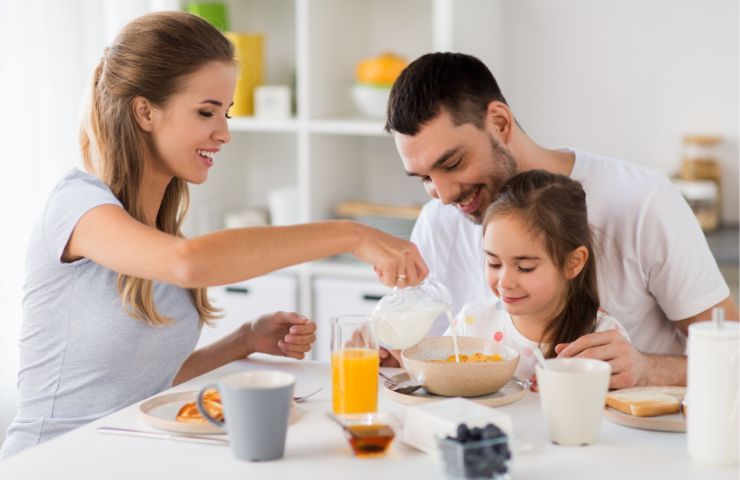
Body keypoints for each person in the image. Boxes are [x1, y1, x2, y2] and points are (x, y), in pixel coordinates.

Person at [0, 12, 427, 459]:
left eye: (226, 113)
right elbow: (191, 263)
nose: (223, 133)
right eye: (206, 112)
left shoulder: (155, 229)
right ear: (144, 111)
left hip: (126, 454)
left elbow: (144, 384)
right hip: (53, 460)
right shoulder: (77, 206)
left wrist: (243, 341)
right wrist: (349, 234)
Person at [382, 52, 737, 388]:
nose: (443, 196)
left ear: (500, 122)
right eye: (425, 178)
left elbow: (732, 355)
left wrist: (645, 369)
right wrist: (391, 354)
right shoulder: (438, 222)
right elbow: (430, 364)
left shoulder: (643, 202)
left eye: (452, 163)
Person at [448, 170, 630, 386]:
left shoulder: (603, 339)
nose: (505, 282)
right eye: (494, 263)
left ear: (573, 263)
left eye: (525, 267)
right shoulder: (471, 325)